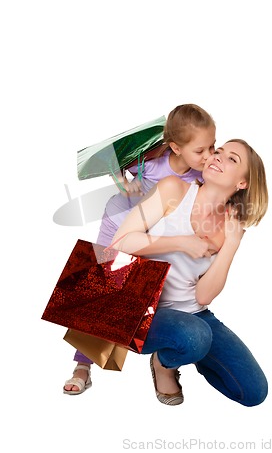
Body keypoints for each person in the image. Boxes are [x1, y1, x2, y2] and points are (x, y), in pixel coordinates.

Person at [63, 103, 216, 394]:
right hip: (120, 222)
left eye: (212, 146)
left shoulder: (200, 177)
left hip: (150, 237)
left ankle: (164, 360)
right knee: (100, 291)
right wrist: (124, 183)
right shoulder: (153, 159)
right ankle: (82, 366)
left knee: (148, 296)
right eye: (200, 150)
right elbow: (115, 163)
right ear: (176, 147)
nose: (208, 156)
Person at [110, 139, 269, 406]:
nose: (218, 157)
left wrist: (231, 244)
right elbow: (120, 242)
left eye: (232, 159)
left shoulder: (231, 224)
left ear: (242, 183)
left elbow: (204, 295)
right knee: (194, 336)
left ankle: (179, 352)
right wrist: (183, 242)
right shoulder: (174, 190)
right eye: (218, 152)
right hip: (140, 309)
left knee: (254, 392)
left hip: (195, 315)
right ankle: (165, 364)